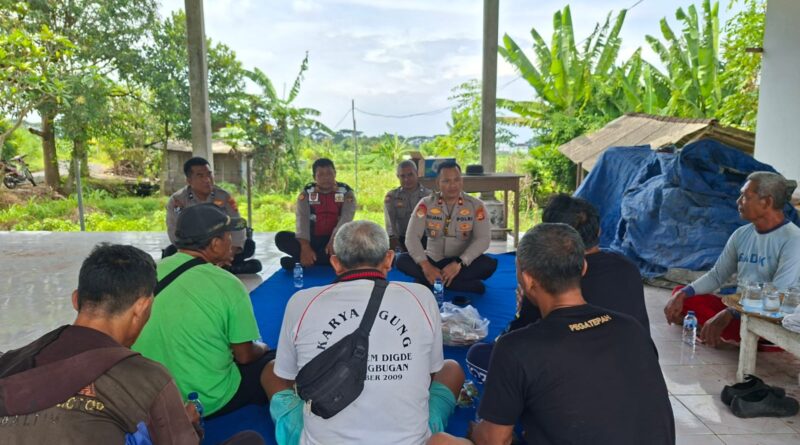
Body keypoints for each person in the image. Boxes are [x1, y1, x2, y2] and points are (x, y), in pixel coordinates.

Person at [431, 224, 675, 445]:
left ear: (527, 280)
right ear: (583, 267)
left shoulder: (516, 347)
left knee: (440, 442)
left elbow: (494, 441)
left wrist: (477, 433)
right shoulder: (631, 327)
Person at [0, 244, 264, 445]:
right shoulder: (149, 379)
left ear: (76, 300)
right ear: (142, 308)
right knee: (250, 440)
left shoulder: (13, 360)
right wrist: (188, 423)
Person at [265, 220, 465, 445]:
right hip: (413, 441)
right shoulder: (422, 296)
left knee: (272, 371)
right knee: (451, 369)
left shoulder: (301, 302)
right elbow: (430, 375)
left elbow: (290, 377)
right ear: (389, 259)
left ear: (335, 263)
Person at [134, 204, 275, 419]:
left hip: (152, 399)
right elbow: (245, 355)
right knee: (274, 362)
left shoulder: (148, 272)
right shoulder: (228, 284)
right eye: (228, 236)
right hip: (207, 400)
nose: (232, 242)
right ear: (216, 244)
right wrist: (262, 348)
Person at [664, 172, 800, 347]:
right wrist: (683, 294)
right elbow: (717, 275)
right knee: (681, 295)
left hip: (772, 317)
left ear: (766, 202)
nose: (738, 201)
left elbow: (778, 294)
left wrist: (730, 313)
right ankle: (730, 334)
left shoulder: (793, 239)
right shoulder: (741, 234)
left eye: (745, 196)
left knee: (733, 318)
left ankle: (758, 340)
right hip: (740, 311)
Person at [508, 193, 650, 335]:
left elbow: (518, 338)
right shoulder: (628, 267)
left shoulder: (549, 277)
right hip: (632, 347)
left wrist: (527, 302)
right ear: (599, 231)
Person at [396, 161, 497, 294]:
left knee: (488, 265)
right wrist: (426, 266)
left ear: (462, 181)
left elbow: (483, 239)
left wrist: (459, 262)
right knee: (401, 260)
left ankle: (429, 281)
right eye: (446, 181)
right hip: (433, 261)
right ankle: (458, 284)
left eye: (456, 180)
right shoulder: (426, 204)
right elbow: (411, 237)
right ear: (438, 183)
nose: (453, 185)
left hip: (461, 263)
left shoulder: (476, 205)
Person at [165, 156, 262, 275]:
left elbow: (238, 225)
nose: (207, 180)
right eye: (200, 176)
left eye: (209, 174)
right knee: (170, 252)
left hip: (221, 247)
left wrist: (230, 251)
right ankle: (229, 269)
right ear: (189, 180)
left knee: (248, 245)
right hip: (196, 250)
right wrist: (200, 255)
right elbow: (174, 231)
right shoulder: (178, 200)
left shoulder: (224, 196)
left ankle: (217, 267)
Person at [275, 158, 356, 270]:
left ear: (335, 174)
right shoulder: (307, 193)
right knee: (281, 238)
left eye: (329, 173)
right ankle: (322, 259)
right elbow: (302, 219)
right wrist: (305, 246)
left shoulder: (346, 192)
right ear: (314, 177)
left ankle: (301, 261)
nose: (326, 177)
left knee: (356, 245)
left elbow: (346, 218)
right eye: (321, 174)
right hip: (312, 240)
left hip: (337, 239)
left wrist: (334, 240)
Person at [385, 159, 431, 252]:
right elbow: (390, 224)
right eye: (403, 176)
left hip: (425, 240)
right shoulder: (392, 197)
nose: (407, 179)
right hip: (401, 240)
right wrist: (394, 240)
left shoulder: (429, 196)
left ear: (417, 174)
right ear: (398, 176)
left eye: (410, 175)